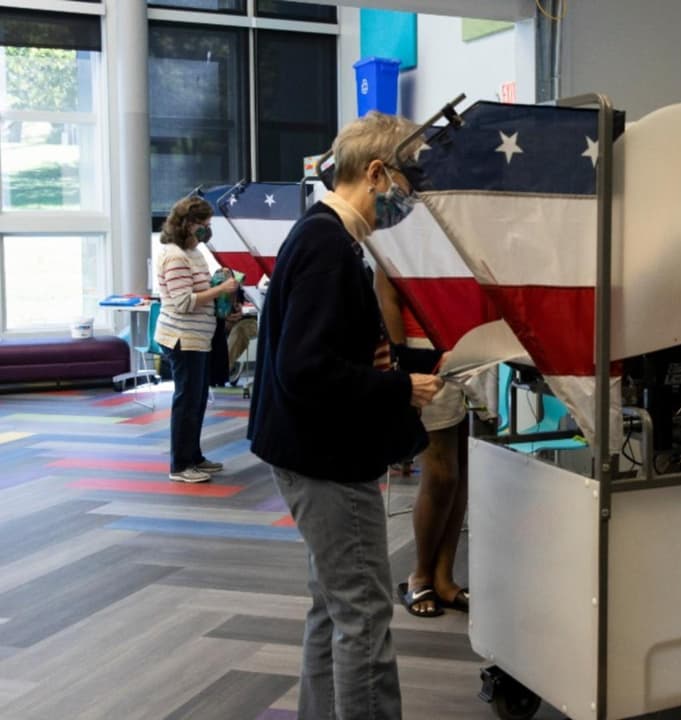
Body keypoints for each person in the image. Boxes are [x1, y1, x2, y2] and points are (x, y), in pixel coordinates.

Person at [248, 111, 443, 719]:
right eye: (404, 186)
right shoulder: (328, 247)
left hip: (308, 452)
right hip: (326, 459)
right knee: (362, 614)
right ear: (376, 173)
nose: (407, 201)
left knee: (334, 607)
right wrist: (398, 388)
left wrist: (399, 376)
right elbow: (306, 370)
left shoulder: (320, 235)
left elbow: (320, 355)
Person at [374, 268, 471, 617]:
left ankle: (443, 577)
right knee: (442, 473)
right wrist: (401, 360)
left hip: (463, 345)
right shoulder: (400, 236)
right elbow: (386, 290)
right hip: (422, 349)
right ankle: (420, 575)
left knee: (461, 471)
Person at [154, 196, 239, 483]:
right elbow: (182, 302)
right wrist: (221, 290)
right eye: (203, 223)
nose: (207, 228)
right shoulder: (175, 256)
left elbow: (198, 290)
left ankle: (194, 456)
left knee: (198, 400)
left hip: (198, 338)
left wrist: (217, 282)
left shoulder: (194, 252)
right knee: (187, 401)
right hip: (182, 338)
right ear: (187, 224)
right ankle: (180, 465)